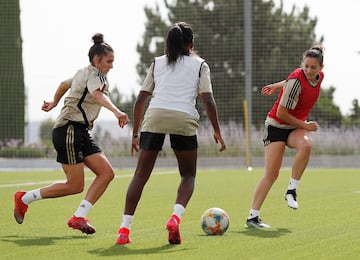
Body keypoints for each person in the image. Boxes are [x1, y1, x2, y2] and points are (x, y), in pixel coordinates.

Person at [115, 22, 226, 245]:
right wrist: (216, 130)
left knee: (140, 176)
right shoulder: (200, 65)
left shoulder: (157, 63)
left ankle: (124, 232)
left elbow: (140, 100)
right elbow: (208, 99)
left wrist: (135, 133)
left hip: (155, 115)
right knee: (188, 175)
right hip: (183, 118)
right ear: (191, 43)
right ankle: (175, 218)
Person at [13, 33, 129, 234]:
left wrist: (54, 102)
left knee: (106, 173)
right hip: (69, 130)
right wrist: (117, 111)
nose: (112, 65)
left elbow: (63, 85)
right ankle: (24, 199)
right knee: (74, 186)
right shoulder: (95, 75)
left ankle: (79, 217)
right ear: (96, 60)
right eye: (109, 61)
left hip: (78, 131)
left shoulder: (82, 73)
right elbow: (96, 94)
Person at [245, 45, 325, 228]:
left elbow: (291, 81)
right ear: (303, 64)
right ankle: (252, 216)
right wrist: (305, 125)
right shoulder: (297, 79)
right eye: (306, 66)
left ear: (321, 68)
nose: (309, 70)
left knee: (306, 146)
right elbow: (281, 113)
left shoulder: (319, 78)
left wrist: (276, 85)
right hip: (277, 126)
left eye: (313, 67)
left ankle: (291, 191)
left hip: (294, 127)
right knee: (271, 174)